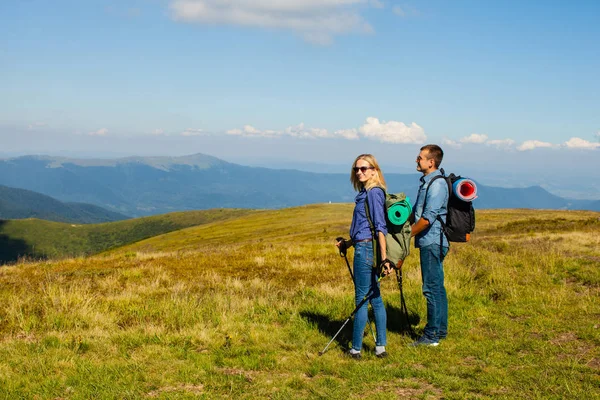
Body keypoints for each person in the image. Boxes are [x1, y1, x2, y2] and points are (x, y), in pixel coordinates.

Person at [336, 154, 390, 359]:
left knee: (361, 299)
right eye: (356, 169)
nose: (359, 172)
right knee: (374, 297)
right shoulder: (366, 193)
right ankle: (380, 348)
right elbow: (365, 229)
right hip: (363, 246)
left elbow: (379, 228)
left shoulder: (373, 193)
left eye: (364, 168)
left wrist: (384, 259)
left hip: (366, 251)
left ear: (374, 170)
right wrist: (348, 243)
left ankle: (355, 349)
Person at [410, 144, 449, 346]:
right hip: (432, 240)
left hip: (432, 241)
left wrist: (408, 234)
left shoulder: (436, 184)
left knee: (431, 289)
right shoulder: (429, 182)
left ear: (431, 162)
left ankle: (431, 336)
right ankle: (440, 331)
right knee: (437, 288)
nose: (417, 160)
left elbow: (427, 219)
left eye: (420, 158)